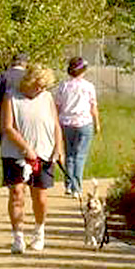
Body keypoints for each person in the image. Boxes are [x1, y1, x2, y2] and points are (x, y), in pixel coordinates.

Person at [0, 63, 63, 253]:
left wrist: (59, 148)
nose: (41, 90)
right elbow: (7, 127)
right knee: (17, 193)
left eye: (44, 86)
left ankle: (39, 231)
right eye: (38, 85)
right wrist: (26, 148)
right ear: (28, 81)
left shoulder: (47, 98)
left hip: (44, 151)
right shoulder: (11, 97)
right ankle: (18, 237)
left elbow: (55, 125)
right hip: (15, 154)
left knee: (40, 197)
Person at [55, 56, 100, 197]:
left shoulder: (63, 86)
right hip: (84, 123)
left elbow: (57, 106)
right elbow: (93, 107)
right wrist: (97, 123)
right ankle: (77, 187)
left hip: (66, 123)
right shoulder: (88, 86)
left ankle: (69, 184)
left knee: (69, 155)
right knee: (79, 155)